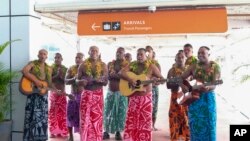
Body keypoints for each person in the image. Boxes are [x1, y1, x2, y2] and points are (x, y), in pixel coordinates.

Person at [120, 48, 165, 141]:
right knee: (132, 121)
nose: (139, 56)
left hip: (146, 99)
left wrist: (158, 81)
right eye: (138, 55)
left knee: (145, 122)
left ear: (146, 55)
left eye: (141, 54)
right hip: (134, 97)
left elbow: (162, 79)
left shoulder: (152, 66)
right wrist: (130, 80)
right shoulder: (132, 65)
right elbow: (121, 72)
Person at [181, 46, 221, 141]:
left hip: (208, 99)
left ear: (209, 54)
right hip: (194, 99)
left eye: (203, 53)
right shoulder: (194, 66)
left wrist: (208, 87)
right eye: (199, 53)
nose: (200, 55)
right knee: (195, 125)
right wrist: (184, 86)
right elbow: (181, 78)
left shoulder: (215, 67)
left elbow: (215, 84)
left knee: (209, 123)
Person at [22, 49, 57, 141]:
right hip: (32, 94)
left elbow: (49, 83)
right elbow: (24, 71)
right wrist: (36, 81)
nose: (42, 55)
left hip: (43, 96)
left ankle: (40, 138)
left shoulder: (49, 68)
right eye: (41, 54)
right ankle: (29, 138)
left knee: (42, 118)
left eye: (44, 54)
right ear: (38, 55)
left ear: (46, 56)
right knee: (30, 116)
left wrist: (56, 90)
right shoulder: (33, 63)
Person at [77, 46, 108, 141]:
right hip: (86, 93)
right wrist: (81, 82)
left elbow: (106, 82)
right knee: (84, 118)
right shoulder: (83, 65)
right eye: (92, 50)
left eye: (96, 51)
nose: (94, 52)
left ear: (99, 53)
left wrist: (100, 81)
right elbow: (77, 80)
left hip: (98, 95)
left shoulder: (103, 65)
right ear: (88, 52)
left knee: (97, 119)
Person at [103, 47, 129, 140]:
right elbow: (106, 76)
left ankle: (118, 133)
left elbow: (128, 77)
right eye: (117, 52)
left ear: (124, 54)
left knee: (120, 113)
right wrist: (111, 75)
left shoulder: (127, 65)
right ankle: (106, 132)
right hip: (110, 92)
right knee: (107, 111)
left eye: (120, 52)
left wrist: (116, 76)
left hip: (121, 92)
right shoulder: (110, 63)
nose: (118, 54)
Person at [167, 51, 190, 141]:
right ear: (175, 59)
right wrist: (179, 84)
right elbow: (168, 85)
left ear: (185, 59)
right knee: (174, 118)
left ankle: (187, 138)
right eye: (178, 57)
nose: (180, 59)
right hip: (175, 97)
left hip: (187, 98)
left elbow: (193, 83)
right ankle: (175, 138)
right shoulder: (171, 71)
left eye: (182, 57)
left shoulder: (189, 70)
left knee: (186, 119)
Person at [65, 52, 84, 141]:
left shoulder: (86, 69)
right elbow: (66, 81)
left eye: (80, 58)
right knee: (70, 116)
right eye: (76, 57)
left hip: (83, 96)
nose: (77, 59)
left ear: (83, 59)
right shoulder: (71, 68)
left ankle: (82, 136)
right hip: (72, 95)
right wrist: (74, 78)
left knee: (82, 117)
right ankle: (71, 136)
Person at [48, 53, 68, 138]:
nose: (57, 59)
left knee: (62, 113)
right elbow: (48, 80)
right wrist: (57, 75)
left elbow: (67, 81)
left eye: (58, 57)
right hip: (54, 93)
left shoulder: (65, 68)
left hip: (62, 93)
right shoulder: (50, 68)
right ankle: (52, 132)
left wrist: (61, 77)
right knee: (53, 112)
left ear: (62, 58)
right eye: (55, 58)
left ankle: (62, 131)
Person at [145, 45, 161, 131]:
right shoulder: (139, 64)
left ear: (152, 53)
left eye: (149, 51)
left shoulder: (156, 64)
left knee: (154, 108)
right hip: (142, 89)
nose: (147, 53)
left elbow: (160, 79)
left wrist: (153, 81)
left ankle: (153, 125)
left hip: (153, 89)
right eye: (146, 51)